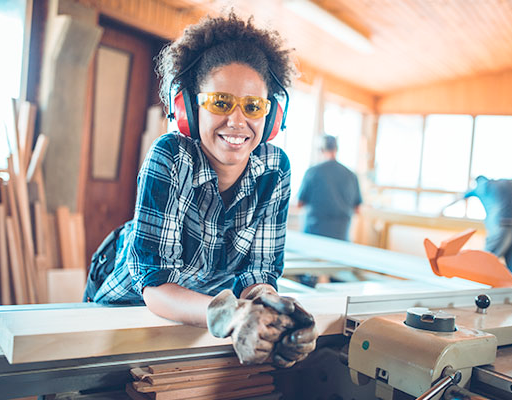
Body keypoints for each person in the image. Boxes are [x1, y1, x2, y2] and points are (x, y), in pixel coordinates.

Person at [83, 12, 317, 368]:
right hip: (126, 310)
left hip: (202, 317)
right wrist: (232, 316)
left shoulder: (275, 169)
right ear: (187, 108)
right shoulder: (171, 158)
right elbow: (156, 287)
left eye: (253, 107)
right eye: (221, 103)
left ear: (271, 117)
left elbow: (258, 273)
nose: (238, 121)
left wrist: (271, 312)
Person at [442, 176, 512, 279]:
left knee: (483, 267)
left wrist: (442, 209)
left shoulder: (480, 187)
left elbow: (459, 198)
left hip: (500, 228)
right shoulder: (510, 182)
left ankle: (478, 292)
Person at [297, 135, 362, 241]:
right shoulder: (351, 175)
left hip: (314, 235)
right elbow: (358, 209)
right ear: (336, 149)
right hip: (341, 237)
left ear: (321, 150)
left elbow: (300, 203)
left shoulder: (312, 172)